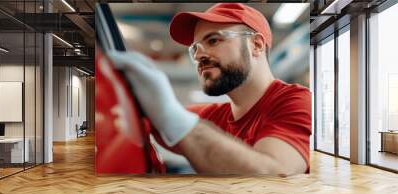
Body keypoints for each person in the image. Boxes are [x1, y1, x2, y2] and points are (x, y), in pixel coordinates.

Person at [108, 3, 312, 176]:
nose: (198, 55)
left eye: (213, 40)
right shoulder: (212, 117)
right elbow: (155, 119)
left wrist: (173, 118)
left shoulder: (297, 101)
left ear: (256, 45)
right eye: (194, 48)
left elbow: (276, 177)